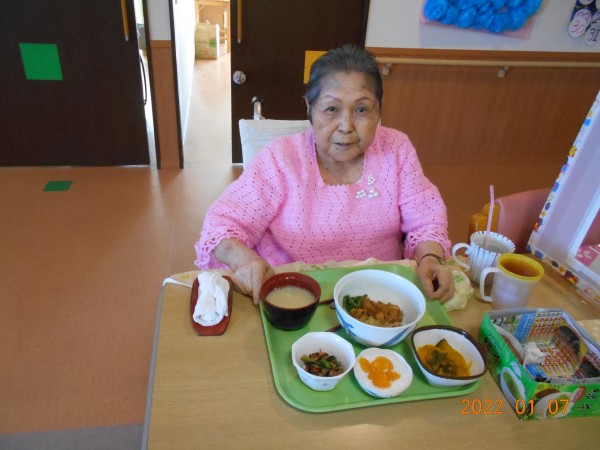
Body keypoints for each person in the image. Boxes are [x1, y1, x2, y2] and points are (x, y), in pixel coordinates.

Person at [195, 45, 454, 305]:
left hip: (379, 296)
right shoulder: (281, 159)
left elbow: (426, 222)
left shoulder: (396, 149)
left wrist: (430, 258)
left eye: (362, 110)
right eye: (331, 109)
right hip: (292, 297)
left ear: (379, 110)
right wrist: (246, 260)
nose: (346, 127)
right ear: (310, 107)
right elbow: (221, 224)